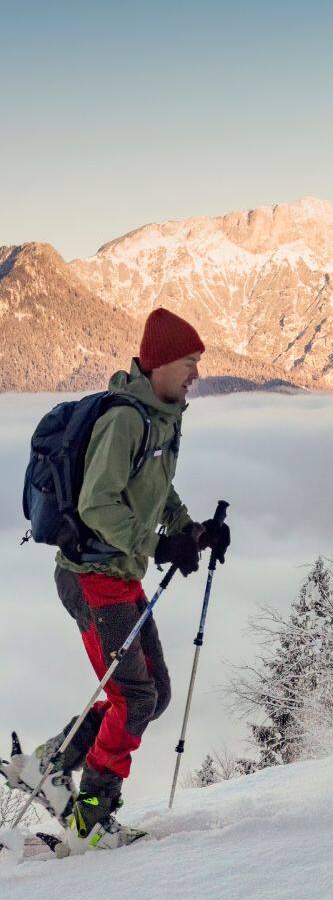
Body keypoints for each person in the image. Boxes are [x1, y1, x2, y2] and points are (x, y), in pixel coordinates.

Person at [23, 307, 230, 849]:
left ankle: (51, 762)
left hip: (120, 575)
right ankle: (92, 813)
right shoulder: (127, 420)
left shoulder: (164, 416)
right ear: (159, 363)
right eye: (189, 362)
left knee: (153, 695)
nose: (196, 374)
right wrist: (158, 545)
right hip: (91, 578)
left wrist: (194, 532)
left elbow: (155, 490)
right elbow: (96, 504)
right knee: (133, 698)